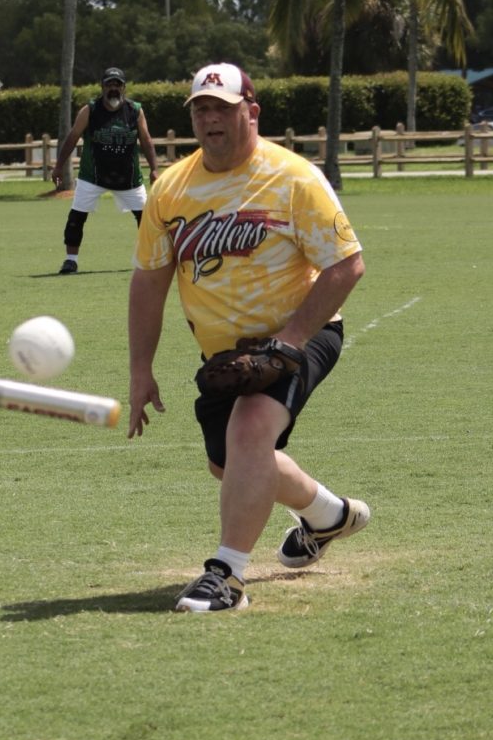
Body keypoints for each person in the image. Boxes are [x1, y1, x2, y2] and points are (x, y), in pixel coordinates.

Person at [127, 62, 369, 613]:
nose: (211, 118)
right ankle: (329, 516)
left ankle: (226, 577)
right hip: (225, 357)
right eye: (201, 109)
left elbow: (346, 266)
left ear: (251, 112)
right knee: (231, 463)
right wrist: (141, 368)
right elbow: (149, 280)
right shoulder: (172, 189)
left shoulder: (292, 178)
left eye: (224, 108)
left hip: (303, 333)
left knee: (252, 427)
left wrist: (289, 339)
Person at [51, 67, 159, 274]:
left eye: (117, 85)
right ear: (102, 88)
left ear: (124, 88)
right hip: (93, 176)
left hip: (128, 178)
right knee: (76, 218)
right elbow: (73, 138)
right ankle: (70, 260)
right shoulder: (90, 110)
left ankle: (151, 258)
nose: (113, 89)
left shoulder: (135, 110)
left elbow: (146, 140)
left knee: (147, 219)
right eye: (109, 84)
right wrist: (58, 166)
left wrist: (154, 169)